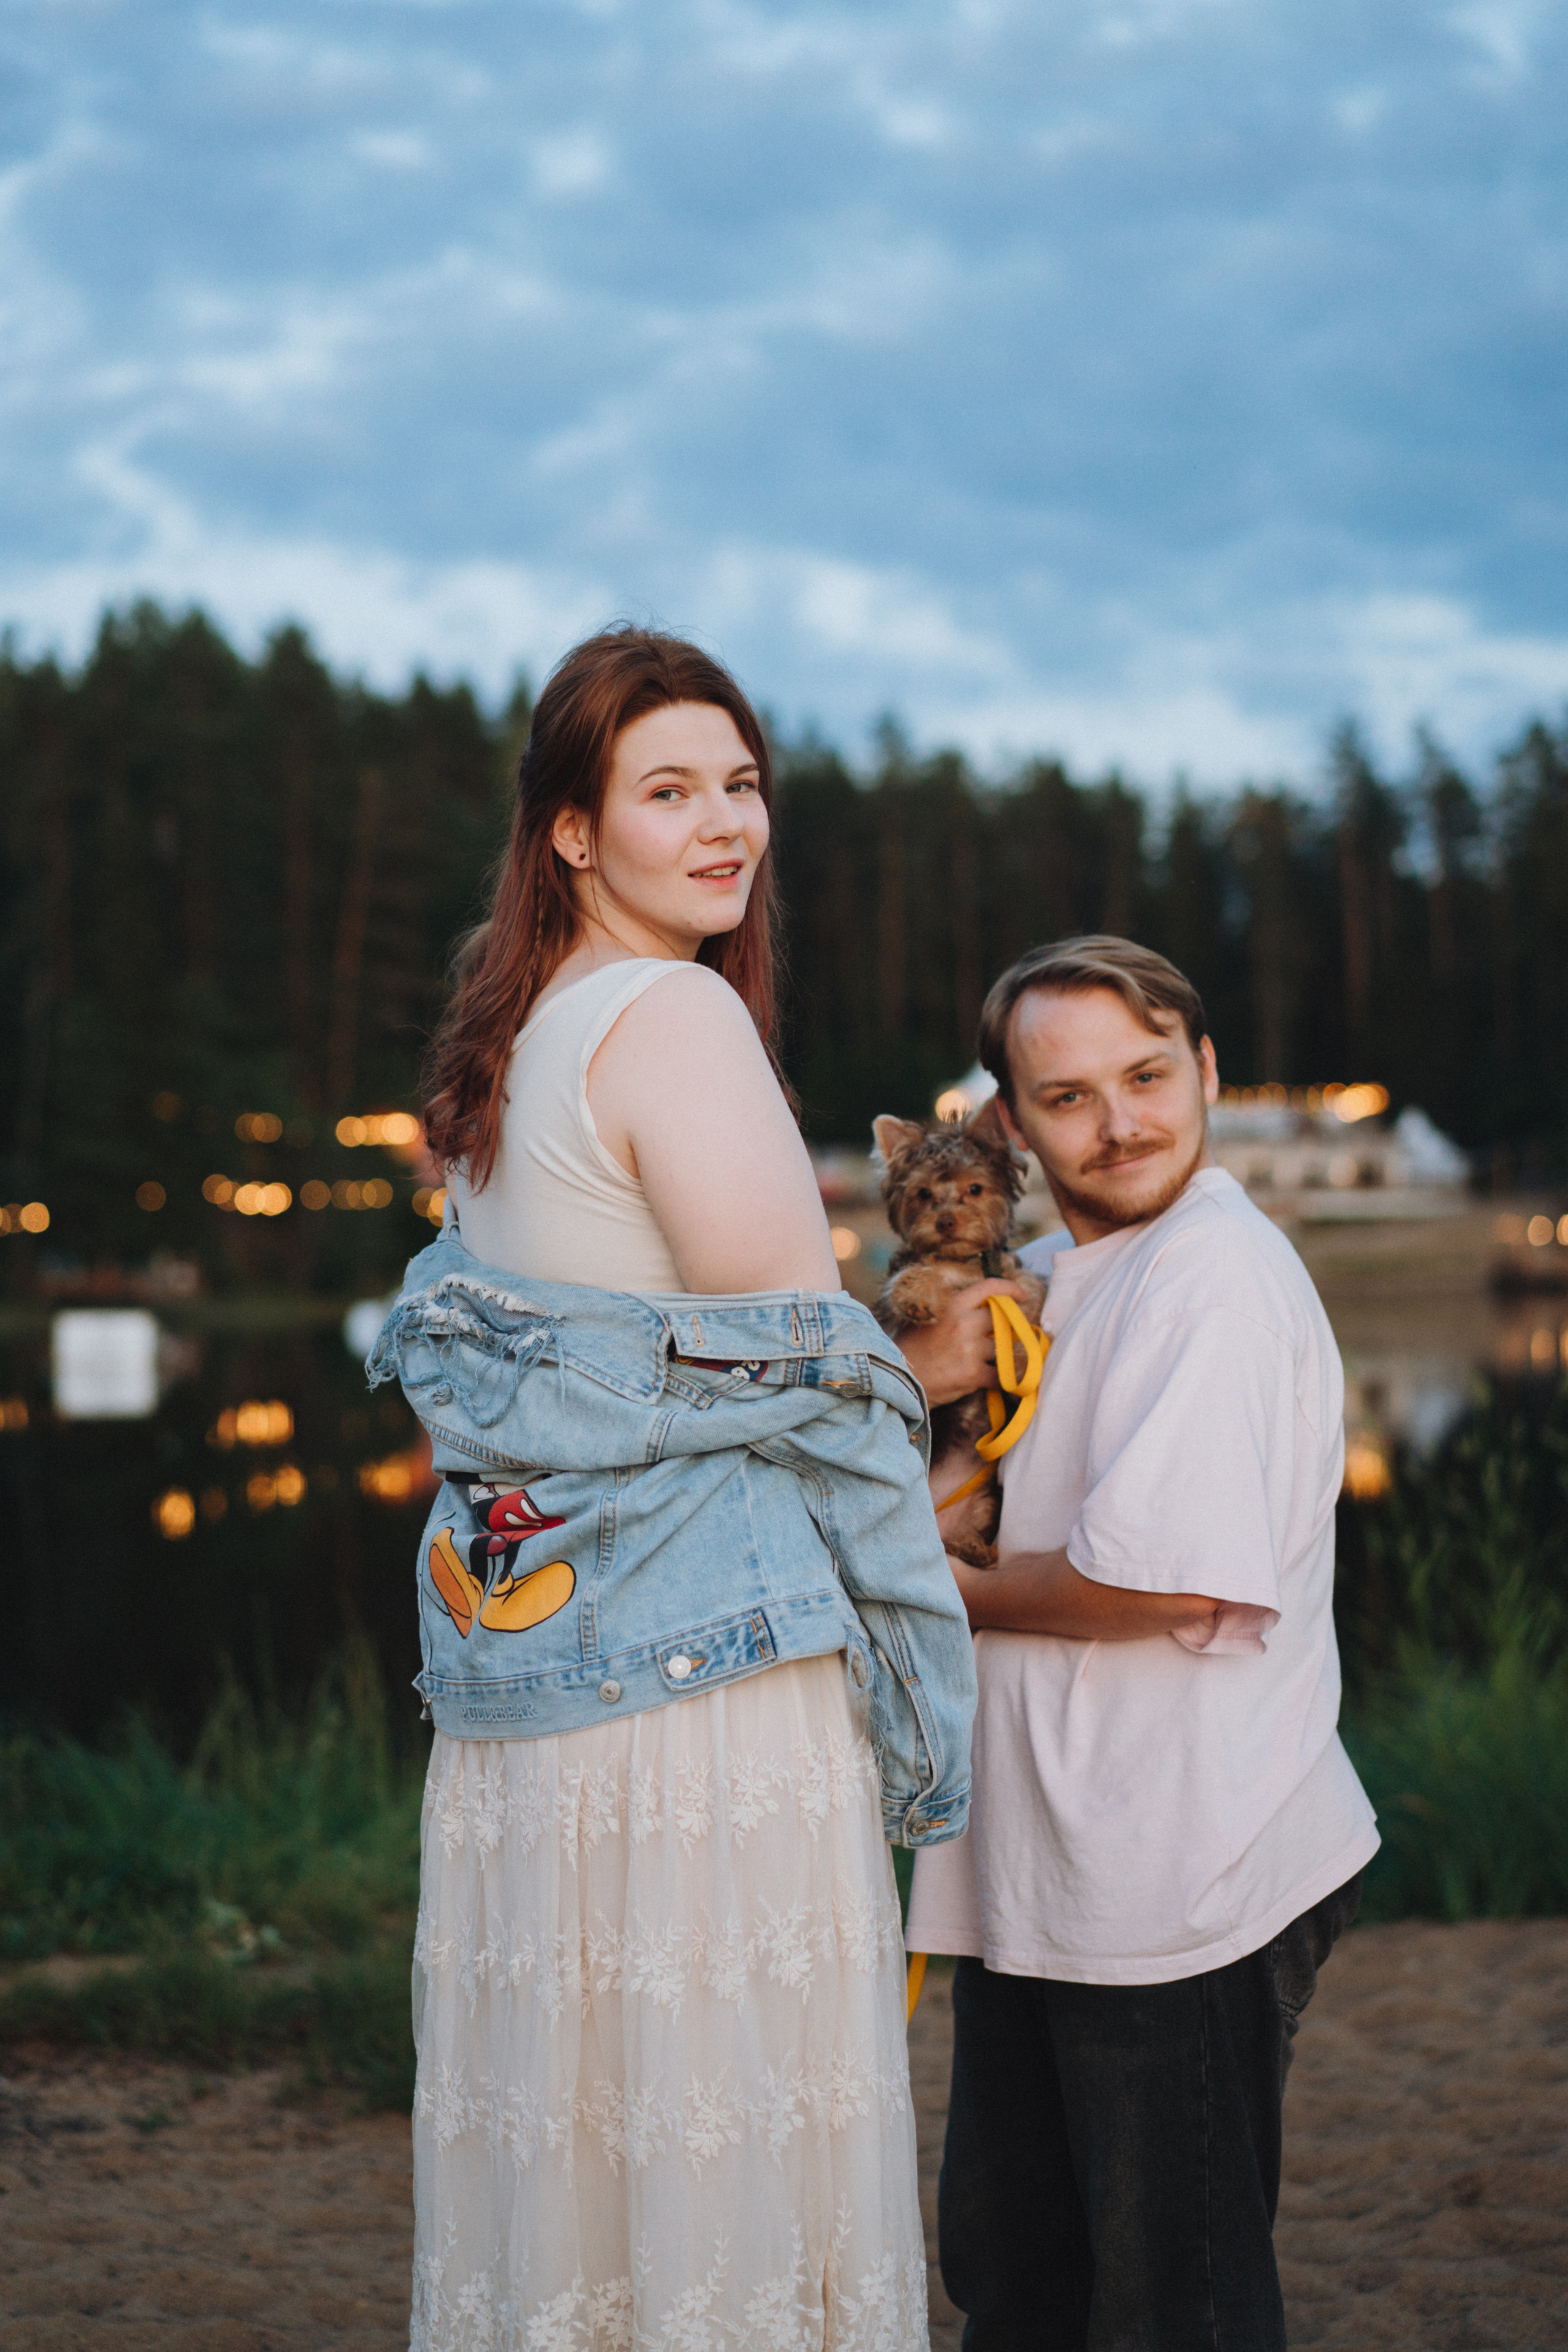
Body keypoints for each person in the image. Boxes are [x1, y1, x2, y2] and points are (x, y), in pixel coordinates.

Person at [396, 627, 974, 2352]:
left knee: (578, 2148)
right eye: (669, 792)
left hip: (532, 1702)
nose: (726, 824)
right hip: (700, 1690)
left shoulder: (512, 1044)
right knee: (730, 2151)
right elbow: (805, 1381)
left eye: (741, 784)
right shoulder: (676, 1018)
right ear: (573, 832)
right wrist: (925, 1388)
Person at [902, 935, 1379, 2352]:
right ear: (1009, 1123)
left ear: (1205, 1070)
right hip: (1046, 1866)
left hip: (1174, 1877)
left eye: (1147, 1076)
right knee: (1017, 2277)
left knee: (1175, 2306)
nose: (1118, 1124)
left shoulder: (1207, 1280)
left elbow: (1156, 1587)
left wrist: (926, 1583)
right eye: (1068, 1096)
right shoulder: (1054, 1272)